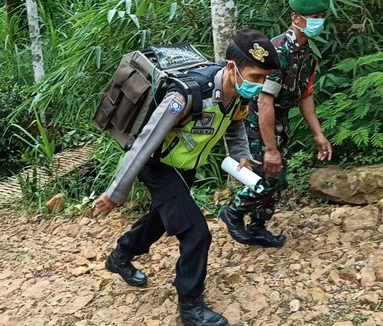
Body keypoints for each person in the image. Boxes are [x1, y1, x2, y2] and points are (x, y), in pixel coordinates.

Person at [93, 30, 280, 326]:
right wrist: (115, 193)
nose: (259, 85)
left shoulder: (238, 96)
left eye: (263, 79)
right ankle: (190, 305)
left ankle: (120, 256)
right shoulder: (187, 94)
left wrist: (241, 154)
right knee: (196, 232)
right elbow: (145, 142)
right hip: (156, 165)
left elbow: (235, 126)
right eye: (255, 76)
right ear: (232, 68)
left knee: (161, 217)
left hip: (185, 166)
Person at [219, 0, 333, 248]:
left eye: (322, 16)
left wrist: (318, 133)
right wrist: (270, 149)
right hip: (258, 120)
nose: (319, 21)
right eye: (314, 16)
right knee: (266, 176)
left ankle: (258, 226)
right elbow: (264, 101)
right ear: (296, 17)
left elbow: (306, 95)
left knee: (278, 177)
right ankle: (234, 212)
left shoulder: (307, 55)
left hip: (279, 121)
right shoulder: (277, 52)